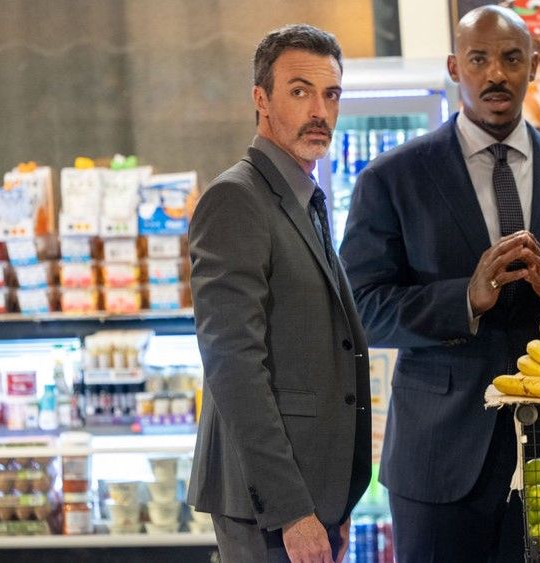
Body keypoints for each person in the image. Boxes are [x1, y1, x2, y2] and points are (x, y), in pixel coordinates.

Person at [339, 5, 540, 562]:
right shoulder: (393, 180)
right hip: (436, 460)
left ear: (534, 68)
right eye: (479, 59)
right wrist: (464, 300)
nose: (496, 73)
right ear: (454, 67)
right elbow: (361, 310)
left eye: (511, 59)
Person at [187, 24, 371, 563]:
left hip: (313, 494)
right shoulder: (235, 199)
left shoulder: (301, 195)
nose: (320, 110)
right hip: (267, 505)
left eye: (330, 94)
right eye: (299, 91)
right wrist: (293, 510)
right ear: (261, 100)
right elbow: (233, 365)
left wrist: (331, 503)